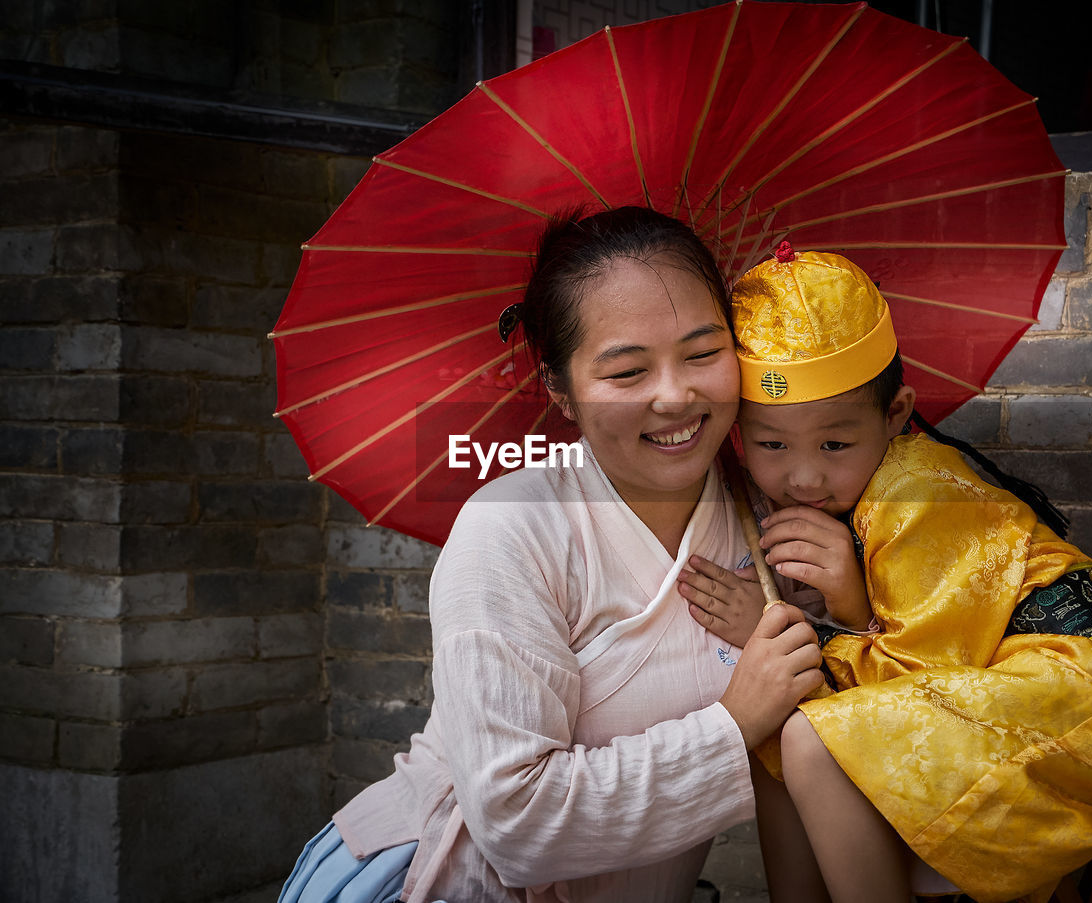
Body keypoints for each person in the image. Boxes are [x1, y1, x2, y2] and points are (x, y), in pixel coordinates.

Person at [278, 208, 825, 903]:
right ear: (561, 389)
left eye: (702, 352)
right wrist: (735, 724)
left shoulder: (766, 511)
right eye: (628, 370)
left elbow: (855, 704)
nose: (676, 394)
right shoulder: (511, 530)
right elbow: (517, 823)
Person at [678, 246, 1092, 903]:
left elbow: (932, 675)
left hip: (1084, 698)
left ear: (894, 412)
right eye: (771, 444)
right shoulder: (834, 498)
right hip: (1006, 683)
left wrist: (832, 618)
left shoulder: (915, 487)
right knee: (776, 724)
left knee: (812, 736)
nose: (803, 476)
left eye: (833, 443)